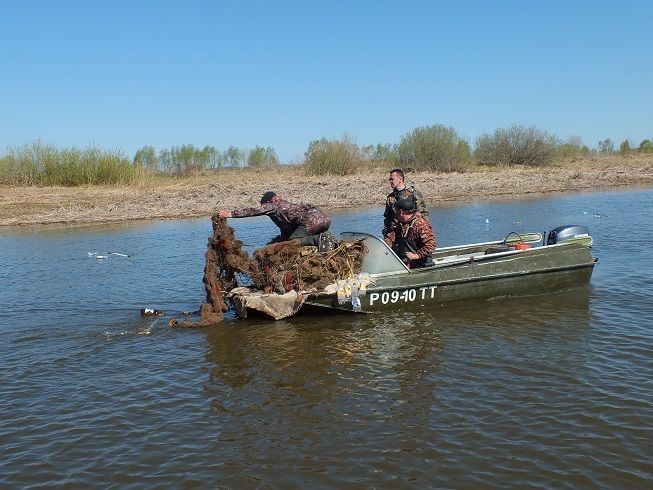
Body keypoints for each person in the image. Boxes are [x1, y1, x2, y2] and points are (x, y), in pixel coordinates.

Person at [217, 191, 331, 245]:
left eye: (264, 205)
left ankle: (319, 239)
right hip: (325, 219)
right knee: (297, 236)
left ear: (269, 202)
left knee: (294, 241)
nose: (264, 208)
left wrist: (230, 214)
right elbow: (288, 230)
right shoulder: (286, 206)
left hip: (311, 221)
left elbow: (253, 211)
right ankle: (326, 240)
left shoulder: (273, 206)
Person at [383, 196, 436, 268]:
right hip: (404, 262)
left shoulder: (420, 225)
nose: (395, 213)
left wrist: (416, 255)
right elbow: (391, 238)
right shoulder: (401, 223)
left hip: (420, 263)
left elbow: (431, 244)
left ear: (401, 212)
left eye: (396, 210)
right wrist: (383, 247)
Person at [382, 168, 429, 237]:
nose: (390, 182)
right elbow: (387, 217)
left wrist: (424, 231)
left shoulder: (413, 194)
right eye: (390, 179)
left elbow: (423, 213)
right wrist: (387, 233)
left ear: (400, 179)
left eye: (392, 179)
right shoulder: (390, 197)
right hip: (396, 233)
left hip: (411, 231)